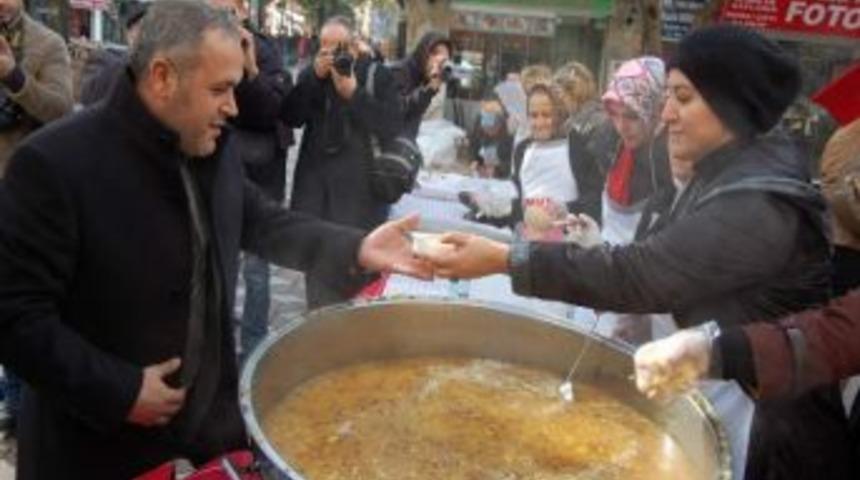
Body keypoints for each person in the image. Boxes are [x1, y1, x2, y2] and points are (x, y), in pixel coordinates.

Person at [0, 2, 429, 478]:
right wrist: (119, 390)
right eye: (220, 89)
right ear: (163, 77)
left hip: (201, 437)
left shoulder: (208, 140)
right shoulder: (53, 164)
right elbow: (15, 317)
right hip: (94, 455)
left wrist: (358, 247)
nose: (234, 107)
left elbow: (262, 221)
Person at [422, 25, 854, 480]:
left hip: (772, 440)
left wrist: (503, 258)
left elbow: (640, 274)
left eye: (683, 98)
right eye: (667, 97)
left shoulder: (759, 204)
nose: (666, 114)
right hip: (726, 399)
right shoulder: (725, 171)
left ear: (733, 105)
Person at [634, 117, 860, 400]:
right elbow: (827, 337)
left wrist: (713, 351)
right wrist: (713, 352)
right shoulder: (678, 205)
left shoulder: (768, 228)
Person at [280, 16, 404, 308]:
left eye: (338, 47)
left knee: (354, 279)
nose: (331, 54)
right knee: (316, 279)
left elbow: (391, 126)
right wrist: (313, 77)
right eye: (324, 46)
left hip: (358, 197)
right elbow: (290, 116)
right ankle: (320, 325)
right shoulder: (312, 76)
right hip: (316, 194)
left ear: (354, 46)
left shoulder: (376, 76)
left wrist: (353, 94)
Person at [207, 0, 293, 363]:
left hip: (260, 173)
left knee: (257, 269)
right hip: (214, 167)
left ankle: (254, 347)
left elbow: (271, 111)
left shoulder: (264, 49)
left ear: (243, 10)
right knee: (216, 262)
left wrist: (251, 68)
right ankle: (217, 340)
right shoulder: (199, 42)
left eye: (229, 11)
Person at [462, 83, 603, 237]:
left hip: (567, 241)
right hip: (527, 239)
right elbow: (517, 201)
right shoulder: (522, 150)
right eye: (534, 116)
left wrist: (563, 211)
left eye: (547, 115)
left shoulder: (578, 148)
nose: (539, 123)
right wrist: (491, 206)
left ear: (560, 115)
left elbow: (594, 204)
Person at [79, 0, 148, 106]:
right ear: (129, 34)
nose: (146, 35)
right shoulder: (104, 59)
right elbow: (89, 96)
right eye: (140, 27)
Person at [390, 30, 451, 140]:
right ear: (424, 52)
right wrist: (429, 89)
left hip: (405, 141)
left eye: (445, 59)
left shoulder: (423, 77)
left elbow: (417, 112)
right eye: (435, 53)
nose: (438, 62)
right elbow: (399, 110)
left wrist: (433, 84)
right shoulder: (400, 71)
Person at [466, 93, 513, 179]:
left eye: (492, 129)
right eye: (486, 129)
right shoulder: (479, 121)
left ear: (500, 124)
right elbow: (473, 144)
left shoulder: (510, 132)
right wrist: (474, 160)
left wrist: (497, 170)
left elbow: (512, 162)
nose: (488, 133)